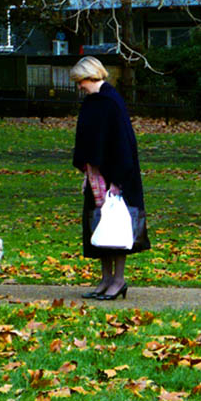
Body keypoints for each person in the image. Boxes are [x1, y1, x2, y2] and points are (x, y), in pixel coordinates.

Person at [70, 56, 150, 300]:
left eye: (80, 81)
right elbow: (88, 140)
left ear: (89, 76)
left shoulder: (110, 102)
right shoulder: (94, 102)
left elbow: (121, 143)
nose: (78, 86)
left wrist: (117, 180)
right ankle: (105, 278)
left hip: (114, 176)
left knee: (116, 227)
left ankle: (118, 279)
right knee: (98, 226)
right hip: (97, 176)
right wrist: (87, 171)